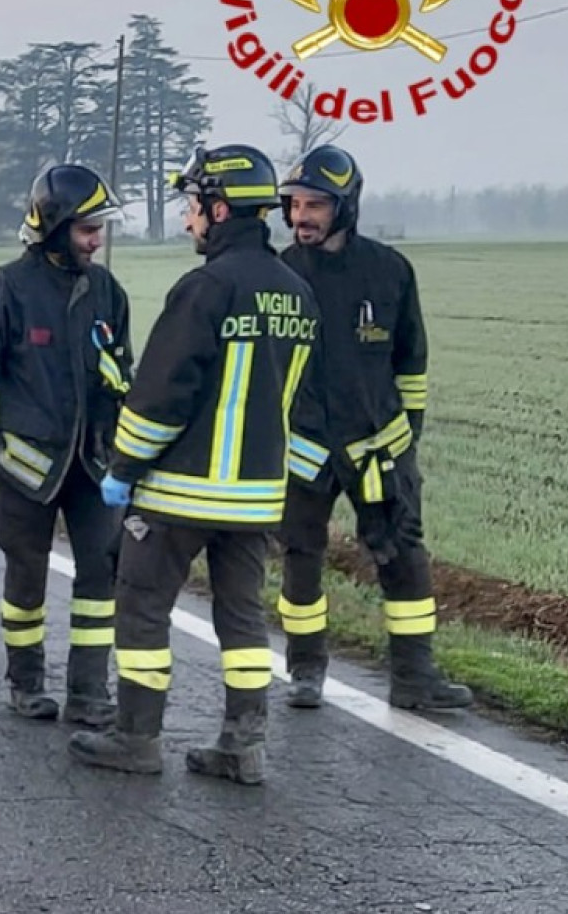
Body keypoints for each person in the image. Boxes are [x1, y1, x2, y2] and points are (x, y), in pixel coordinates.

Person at [68, 144, 317, 785]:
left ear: (220, 206)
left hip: (181, 493)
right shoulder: (298, 293)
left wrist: (123, 468)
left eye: (193, 206)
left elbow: (159, 395)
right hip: (258, 498)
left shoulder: (204, 289)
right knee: (243, 619)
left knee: (143, 607)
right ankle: (242, 747)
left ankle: (136, 739)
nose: (187, 221)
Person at [275, 145, 472, 711]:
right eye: (294, 205)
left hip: (378, 448)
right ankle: (306, 670)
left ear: (346, 206)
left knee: (403, 555)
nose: (301, 217)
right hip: (303, 448)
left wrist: (405, 438)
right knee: (300, 554)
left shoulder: (389, 271)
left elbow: (412, 362)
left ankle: (414, 678)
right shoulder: (280, 274)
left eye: (315, 205)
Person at [0, 163, 135, 728]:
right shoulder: (5, 288)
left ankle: (88, 691)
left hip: (91, 467)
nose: (96, 240)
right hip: (25, 469)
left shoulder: (108, 290)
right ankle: (25, 681)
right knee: (26, 577)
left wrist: (122, 452)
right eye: (87, 228)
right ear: (55, 226)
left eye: (100, 228)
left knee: (100, 577)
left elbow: (121, 372)